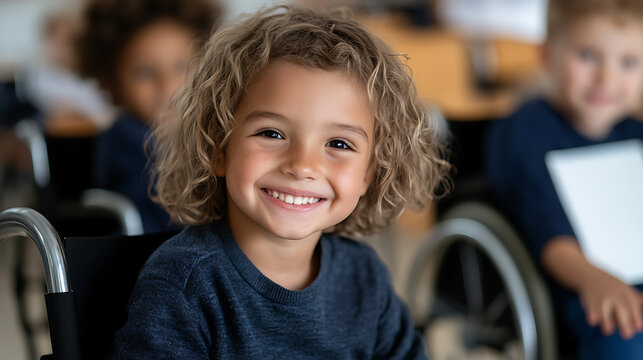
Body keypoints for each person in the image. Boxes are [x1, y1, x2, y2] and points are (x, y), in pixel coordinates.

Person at [108, 5, 450, 359]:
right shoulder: (183, 285)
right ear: (218, 148)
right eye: (272, 133)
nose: (302, 166)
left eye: (338, 144)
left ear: (367, 174)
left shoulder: (364, 275)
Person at [485, 0, 643, 358]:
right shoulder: (526, 131)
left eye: (629, 63)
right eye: (588, 56)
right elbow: (548, 229)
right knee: (623, 335)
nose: (607, 78)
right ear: (547, 55)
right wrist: (595, 280)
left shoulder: (635, 133)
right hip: (573, 281)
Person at [76, 0, 221, 233]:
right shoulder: (124, 137)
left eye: (182, 67)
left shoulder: (200, 129)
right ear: (111, 79)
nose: (168, 86)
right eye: (145, 72)